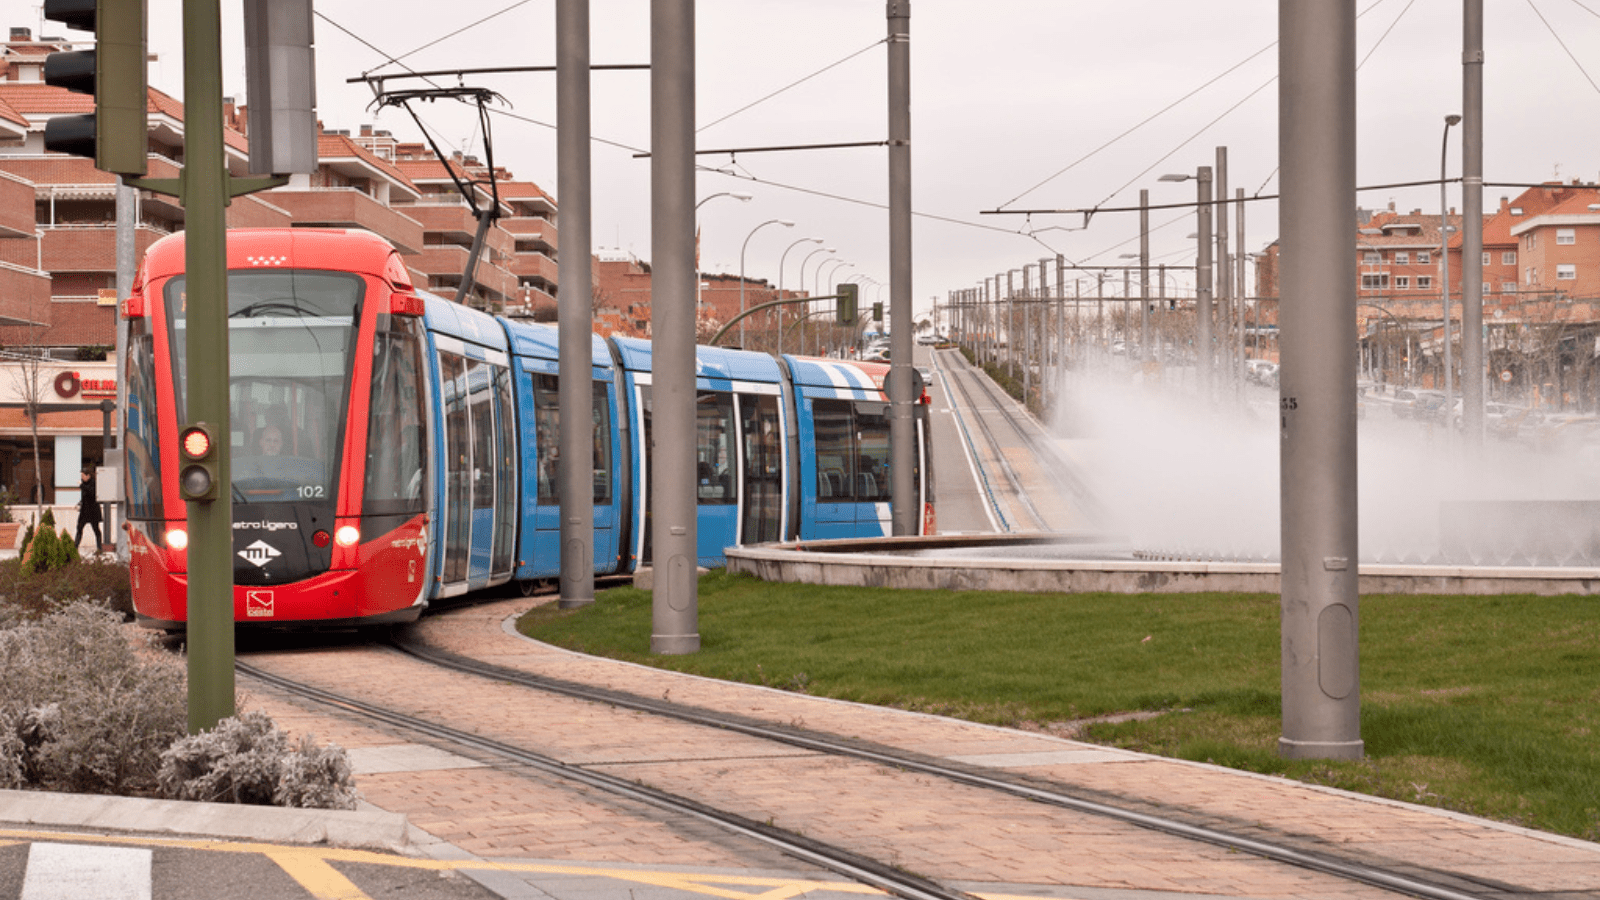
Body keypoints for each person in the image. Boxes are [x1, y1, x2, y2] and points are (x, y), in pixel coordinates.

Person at [74, 465, 102, 554]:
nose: (82, 478)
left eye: (83, 476)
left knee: (96, 530)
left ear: (88, 476)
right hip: (84, 511)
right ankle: (75, 547)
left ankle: (99, 548)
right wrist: (79, 503)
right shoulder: (83, 484)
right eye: (81, 476)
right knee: (79, 528)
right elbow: (85, 497)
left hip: (93, 510)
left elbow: (92, 493)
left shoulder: (93, 483)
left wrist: (82, 486)